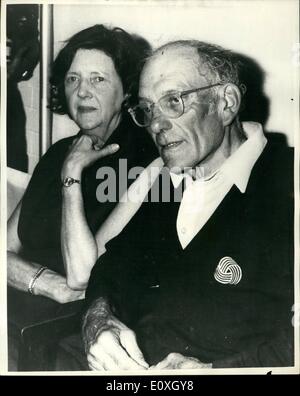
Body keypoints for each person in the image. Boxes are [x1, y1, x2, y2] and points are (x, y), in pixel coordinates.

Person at [80, 40, 294, 370]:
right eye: (148, 109)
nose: (155, 125)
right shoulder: (170, 181)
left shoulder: (287, 184)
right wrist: (98, 322)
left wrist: (211, 374)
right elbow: (112, 265)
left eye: (174, 101)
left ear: (227, 103)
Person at [7, 24, 156, 304]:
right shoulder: (60, 152)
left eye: (98, 79)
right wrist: (44, 283)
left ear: (126, 91)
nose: (82, 92)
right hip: (31, 305)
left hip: (78, 326)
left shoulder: (148, 163)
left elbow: (81, 277)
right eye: (72, 79)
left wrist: (71, 176)